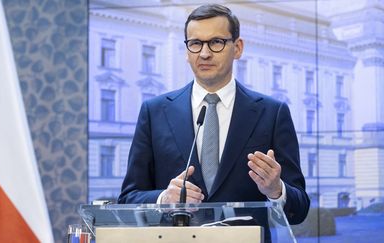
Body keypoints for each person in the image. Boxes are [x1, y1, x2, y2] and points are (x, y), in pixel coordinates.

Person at [118, 3, 310, 225]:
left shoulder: (272, 113)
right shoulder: (154, 112)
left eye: (216, 42)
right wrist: (163, 199)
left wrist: (276, 190)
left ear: (237, 48)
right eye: (196, 43)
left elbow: (301, 208)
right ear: (187, 51)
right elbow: (127, 199)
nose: (205, 53)